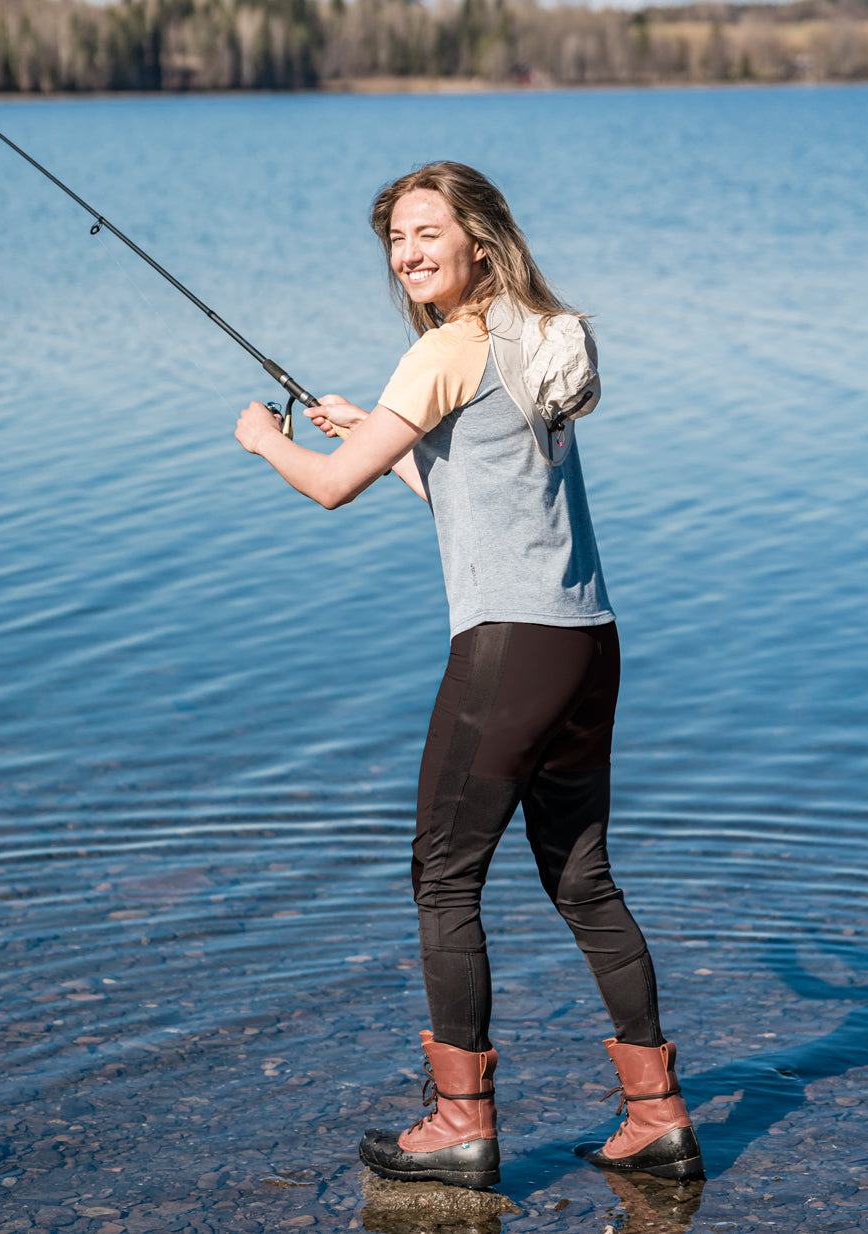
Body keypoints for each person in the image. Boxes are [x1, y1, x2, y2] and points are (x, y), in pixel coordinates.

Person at [233, 162, 703, 1189]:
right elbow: (473, 496)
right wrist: (380, 433)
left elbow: (323, 492)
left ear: (476, 239)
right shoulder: (530, 340)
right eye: (395, 240)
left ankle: (459, 1121)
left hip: (506, 649)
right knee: (581, 879)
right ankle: (657, 1115)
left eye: (424, 232)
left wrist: (265, 440)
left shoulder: (443, 350)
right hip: (585, 643)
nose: (406, 254)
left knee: (441, 877)